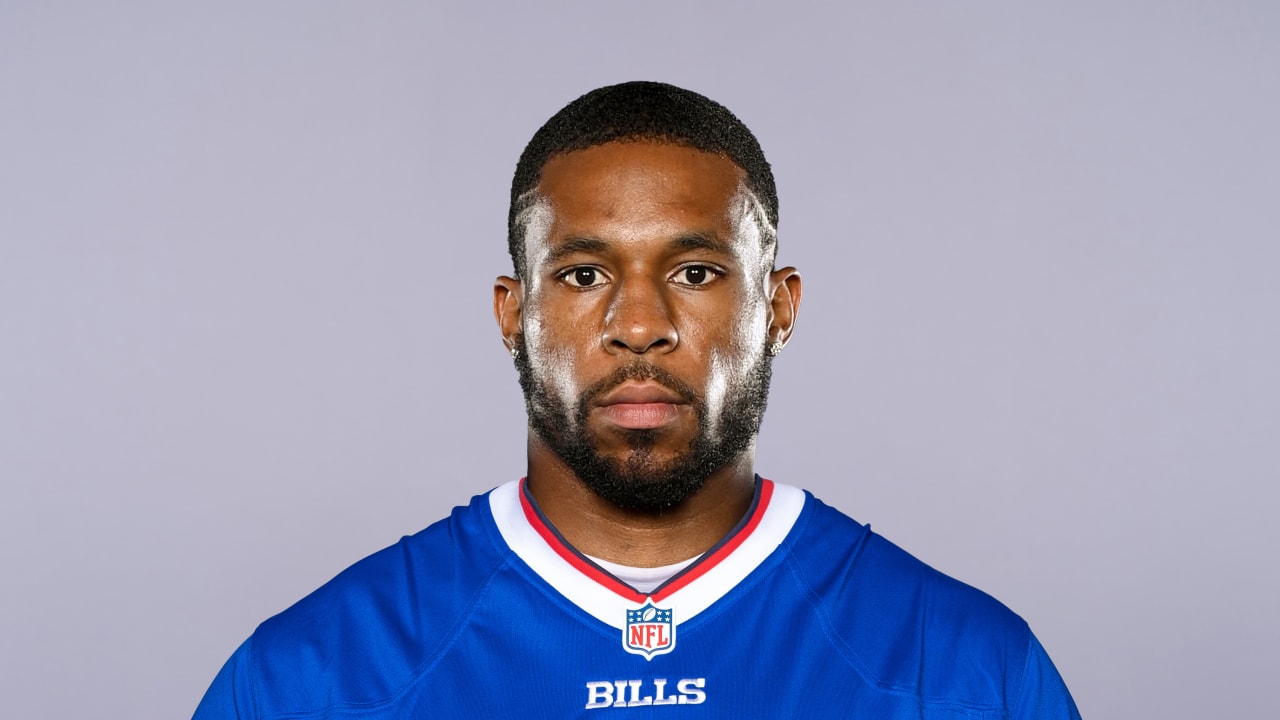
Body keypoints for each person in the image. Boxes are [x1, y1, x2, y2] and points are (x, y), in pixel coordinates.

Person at [195, 81, 1080, 718]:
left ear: (777, 309)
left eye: (695, 273)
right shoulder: (306, 681)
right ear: (513, 315)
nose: (641, 325)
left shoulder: (968, 671)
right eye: (584, 275)